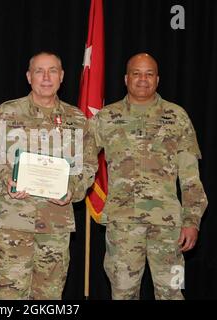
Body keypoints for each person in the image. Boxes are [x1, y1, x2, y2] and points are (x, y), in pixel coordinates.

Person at [0, 51, 96, 299]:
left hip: (55, 225)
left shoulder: (77, 120)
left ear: (61, 77)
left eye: (52, 71)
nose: (46, 77)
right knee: (8, 297)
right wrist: (4, 179)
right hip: (11, 223)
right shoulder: (6, 113)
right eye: (39, 71)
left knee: (48, 298)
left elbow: (89, 165)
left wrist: (72, 188)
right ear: (29, 77)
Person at [88, 53, 208, 300]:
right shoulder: (106, 118)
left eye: (149, 74)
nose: (143, 79)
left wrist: (192, 220)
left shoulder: (177, 117)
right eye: (136, 73)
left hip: (170, 228)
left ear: (157, 79)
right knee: (122, 294)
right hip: (122, 227)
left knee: (174, 292)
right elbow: (81, 162)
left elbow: (190, 177)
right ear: (125, 78)